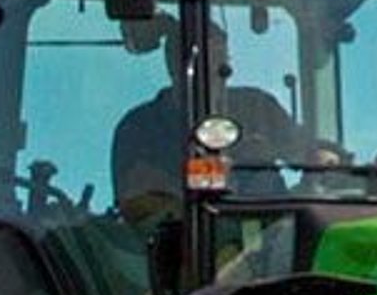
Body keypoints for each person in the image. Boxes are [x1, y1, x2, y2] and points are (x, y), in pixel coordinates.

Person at [111, 18, 306, 228]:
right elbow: (136, 198)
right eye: (207, 65)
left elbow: (306, 152)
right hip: (176, 245)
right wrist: (196, 187)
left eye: (223, 63)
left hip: (268, 237)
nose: (219, 74)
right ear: (174, 67)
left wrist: (266, 154)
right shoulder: (140, 128)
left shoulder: (258, 108)